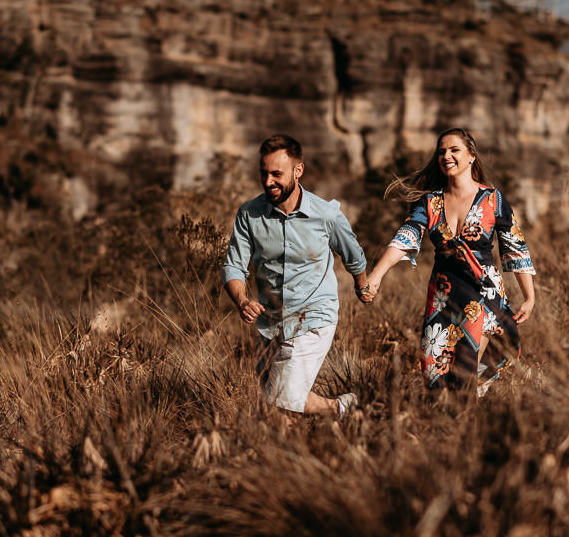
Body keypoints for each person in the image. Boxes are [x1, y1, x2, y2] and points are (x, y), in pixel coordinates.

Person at [363, 127, 536, 395]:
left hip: (483, 297)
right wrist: (377, 274)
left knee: (463, 379)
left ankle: (469, 432)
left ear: (471, 157)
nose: (447, 156)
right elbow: (406, 237)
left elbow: (515, 247)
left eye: (454, 150)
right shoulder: (430, 202)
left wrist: (529, 296)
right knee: (434, 377)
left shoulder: (493, 200)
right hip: (442, 298)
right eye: (442, 151)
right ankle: (456, 426)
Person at [223, 134, 372, 416]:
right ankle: (345, 409)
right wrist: (242, 301)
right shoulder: (249, 214)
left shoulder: (325, 214)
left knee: (279, 397)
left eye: (277, 174)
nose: (269, 182)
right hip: (270, 323)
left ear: (297, 170)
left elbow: (353, 253)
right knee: (275, 401)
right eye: (263, 174)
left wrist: (363, 285)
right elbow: (233, 266)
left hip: (314, 315)